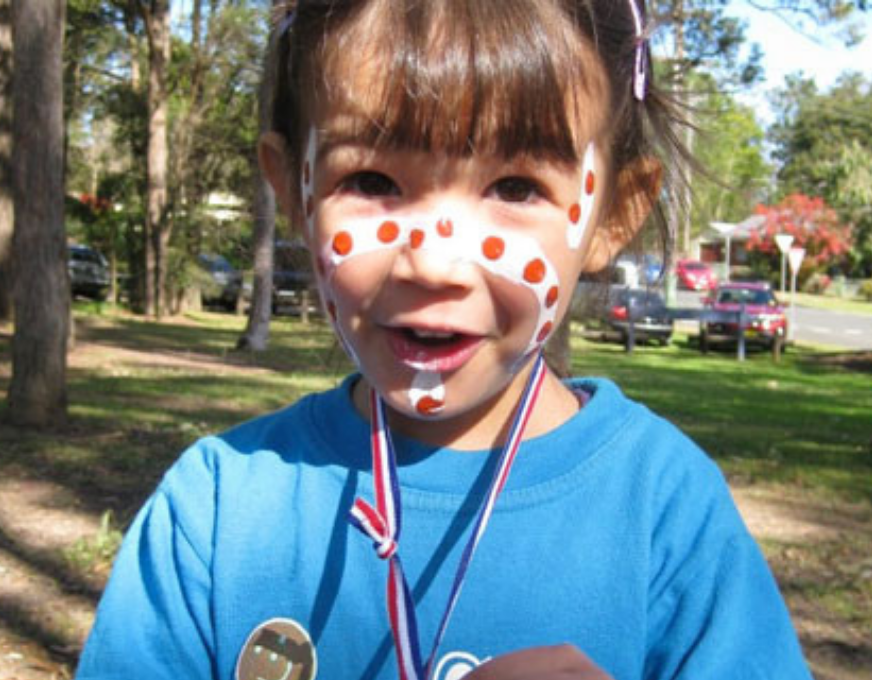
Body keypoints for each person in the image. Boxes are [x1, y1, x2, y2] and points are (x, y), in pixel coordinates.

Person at [75, 1, 813, 679]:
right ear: (293, 192)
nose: (434, 261)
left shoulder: (667, 515)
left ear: (612, 217)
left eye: (517, 189)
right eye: (370, 180)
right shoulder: (216, 510)